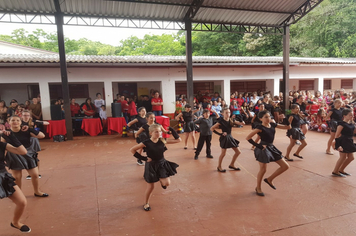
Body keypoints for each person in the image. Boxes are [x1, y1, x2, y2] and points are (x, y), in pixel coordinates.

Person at [130, 124, 180, 211]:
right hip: (151, 165)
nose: (159, 133)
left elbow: (178, 140)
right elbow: (132, 150)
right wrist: (144, 158)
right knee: (150, 187)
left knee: (167, 183)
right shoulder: (146, 143)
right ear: (151, 133)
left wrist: (172, 130)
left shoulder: (162, 141)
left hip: (162, 164)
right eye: (156, 132)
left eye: (160, 131)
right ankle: (146, 203)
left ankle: (162, 181)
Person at [1, 115, 48, 197]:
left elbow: (42, 135)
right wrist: (3, 158)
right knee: (17, 177)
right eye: (13, 120)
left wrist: (30, 129)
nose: (15, 122)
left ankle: (37, 191)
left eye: (17, 120)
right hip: (13, 155)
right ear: (9, 122)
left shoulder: (26, 131)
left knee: (35, 174)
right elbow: (2, 147)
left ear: (20, 122)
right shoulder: (6, 133)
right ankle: (19, 195)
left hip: (27, 154)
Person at [246, 110, 291, 196]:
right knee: (263, 169)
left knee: (285, 166)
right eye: (266, 117)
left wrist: (285, 118)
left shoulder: (273, 125)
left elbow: (288, 127)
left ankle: (269, 179)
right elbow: (248, 137)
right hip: (263, 148)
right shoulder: (260, 128)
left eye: (269, 116)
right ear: (261, 119)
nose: (268, 118)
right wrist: (258, 146)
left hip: (271, 147)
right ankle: (258, 187)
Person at [0, 131, 31, 233]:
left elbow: (22, 151)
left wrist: (12, 137)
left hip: (3, 176)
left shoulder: (1, 144)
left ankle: (15, 222)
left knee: (21, 202)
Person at [211, 108, 244, 172]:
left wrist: (241, 121)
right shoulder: (221, 121)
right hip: (224, 138)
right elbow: (212, 128)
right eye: (226, 113)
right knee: (223, 153)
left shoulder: (231, 120)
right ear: (223, 114)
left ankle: (232, 164)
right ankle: (219, 166)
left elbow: (241, 123)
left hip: (230, 137)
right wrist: (220, 134)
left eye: (229, 112)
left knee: (238, 152)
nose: (228, 114)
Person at [332, 109, 356, 177]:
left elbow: (353, 132)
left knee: (351, 157)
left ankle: (341, 170)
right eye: (350, 115)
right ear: (344, 116)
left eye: (352, 115)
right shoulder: (341, 124)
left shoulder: (352, 123)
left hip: (349, 141)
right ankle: (335, 171)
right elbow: (336, 135)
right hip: (343, 141)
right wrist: (338, 145)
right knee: (343, 157)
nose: (352, 116)